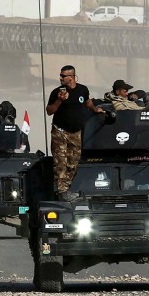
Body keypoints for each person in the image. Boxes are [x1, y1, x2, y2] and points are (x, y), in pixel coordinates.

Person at [46, 65, 103, 200]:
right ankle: (62, 191)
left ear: (71, 77)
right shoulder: (57, 92)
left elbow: (87, 102)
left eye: (63, 76)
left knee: (73, 162)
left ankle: (65, 188)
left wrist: (95, 110)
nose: (60, 78)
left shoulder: (82, 89)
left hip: (76, 132)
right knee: (61, 162)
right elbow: (49, 111)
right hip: (60, 131)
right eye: (60, 75)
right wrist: (59, 100)